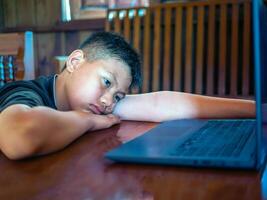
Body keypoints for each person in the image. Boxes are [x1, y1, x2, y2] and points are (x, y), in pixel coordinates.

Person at [0, 32, 255, 160]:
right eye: (106, 82)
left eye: (118, 96)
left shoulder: (96, 105)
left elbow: (161, 103)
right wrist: (88, 121)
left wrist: (254, 109)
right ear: (75, 61)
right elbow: (21, 136)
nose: (109, 101)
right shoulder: (23, 93)